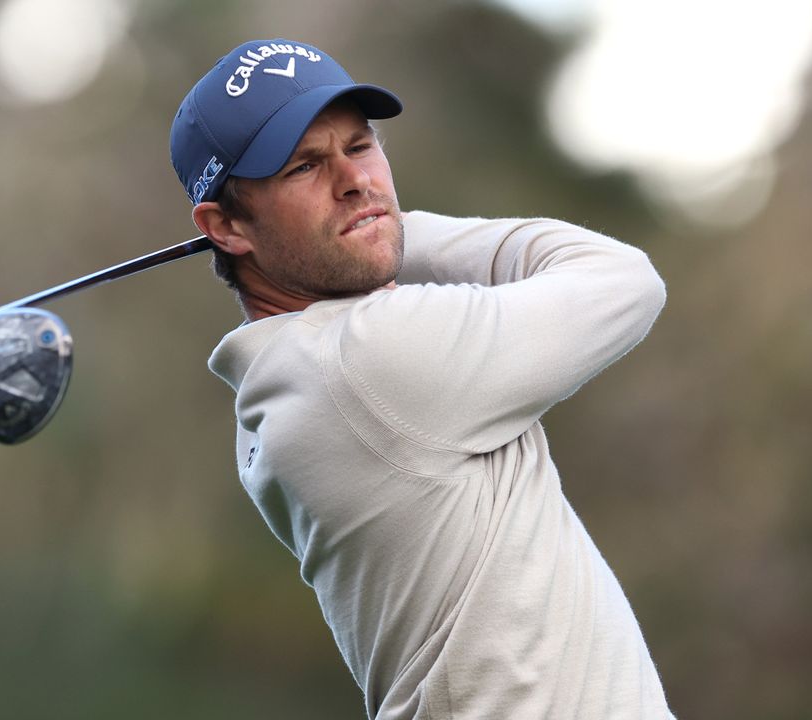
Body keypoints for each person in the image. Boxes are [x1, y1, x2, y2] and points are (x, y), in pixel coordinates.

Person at [170, 38, 673, 719]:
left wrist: (368, 226)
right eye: (304, 167)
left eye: (360, 145)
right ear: (224, 226)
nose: (355, 179)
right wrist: (392, 228)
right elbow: (622, 281)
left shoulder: (283, 388)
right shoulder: (372, 355)